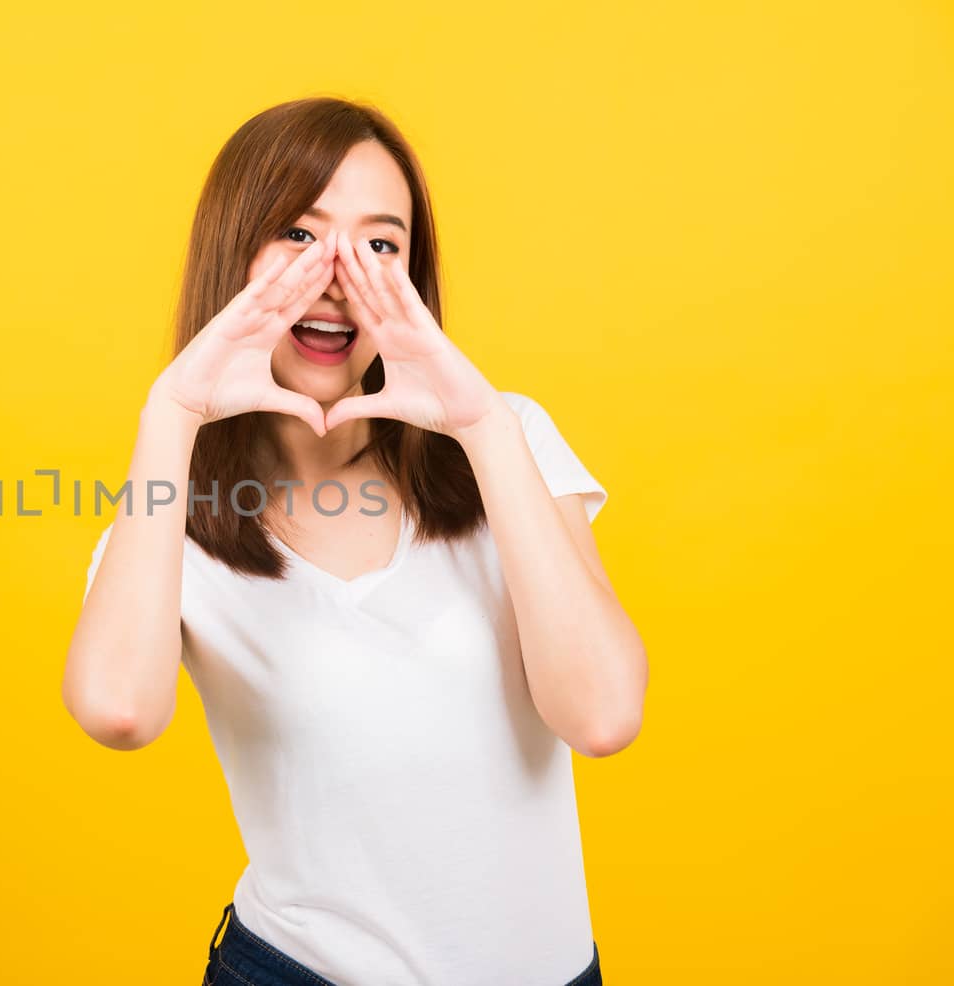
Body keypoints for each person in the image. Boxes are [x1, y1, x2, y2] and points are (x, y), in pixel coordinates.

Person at [61, 96, 647, 986]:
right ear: (234, 253)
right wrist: (172, 415)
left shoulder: (506, 440)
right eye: (298, 235)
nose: (339, 274)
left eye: (381, 244)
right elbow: (118, 712)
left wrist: (482, 427)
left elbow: (603, 715)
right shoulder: (171, 521)